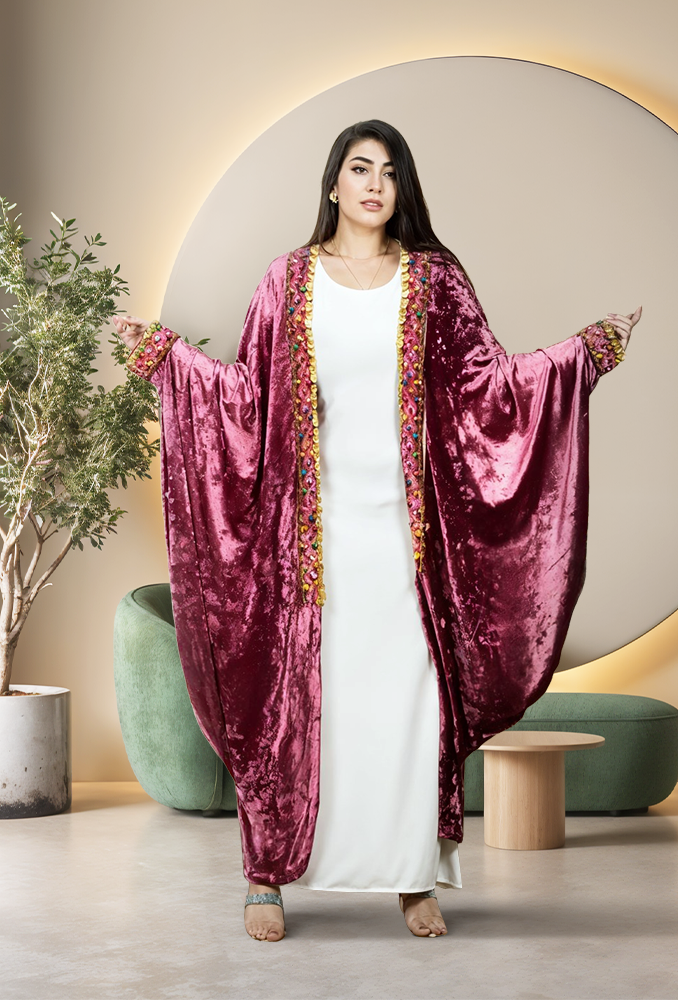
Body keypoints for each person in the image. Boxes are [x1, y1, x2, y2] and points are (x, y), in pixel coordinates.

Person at [113, 120, 641, 944]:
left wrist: (580, 355)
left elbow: (490, 389)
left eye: (390, 173)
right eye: (360, 169)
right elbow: (246, 398)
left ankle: (411, 876)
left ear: (403, 189)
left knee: (407, 702)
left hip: (409, 538)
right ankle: (267, 876)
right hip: (310, 540)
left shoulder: (434, 280)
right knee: (300, 705)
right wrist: (169, 358)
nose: (374, 185)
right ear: (333, 183)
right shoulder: (286, 280)